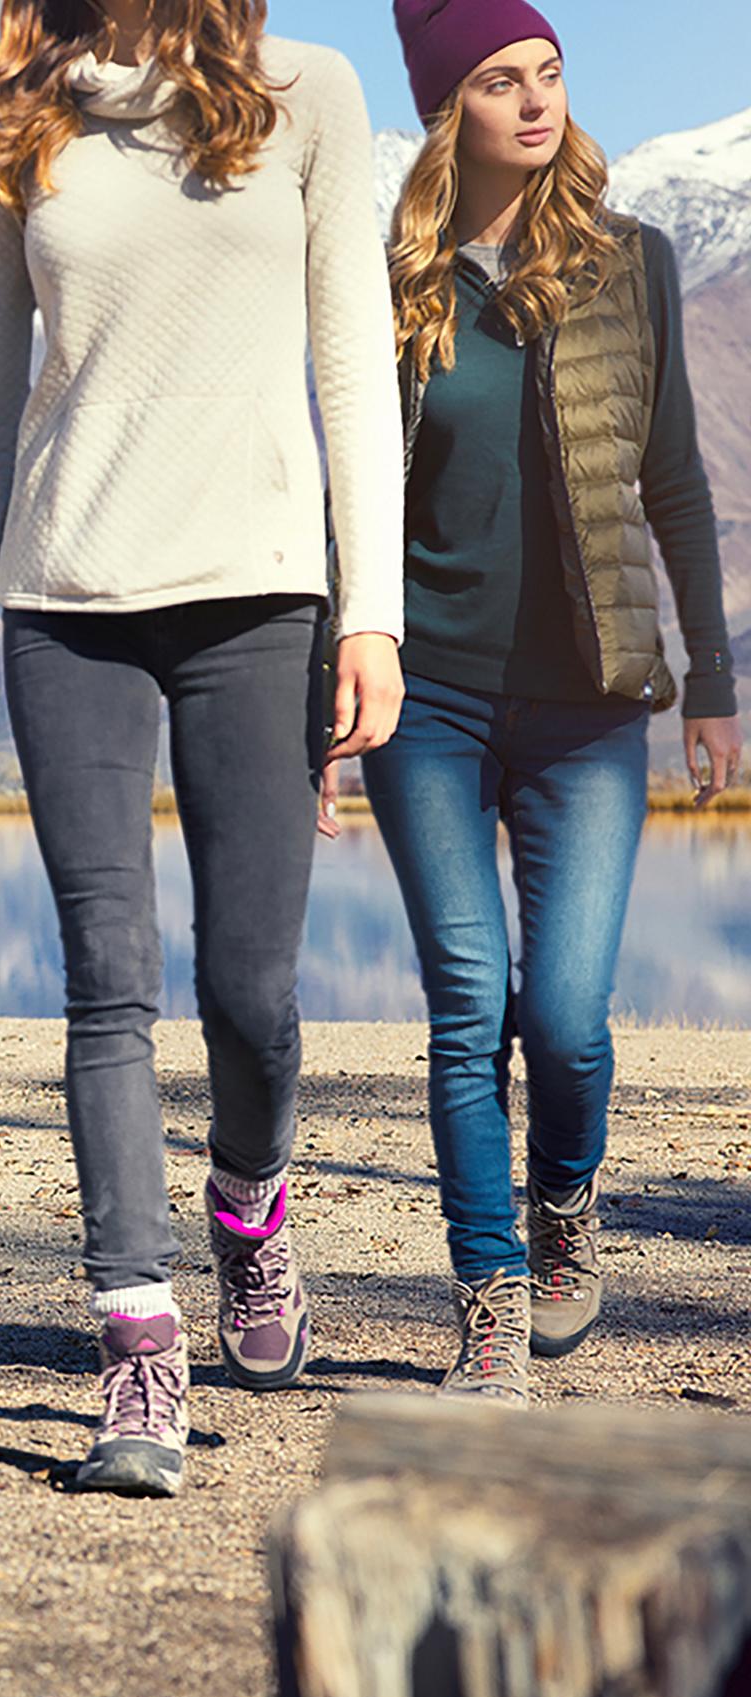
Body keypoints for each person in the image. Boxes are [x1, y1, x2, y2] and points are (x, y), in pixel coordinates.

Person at [0, 0, 404, 1496]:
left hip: (259, 594)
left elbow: (351, 368)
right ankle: (137, 1340)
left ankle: (250, 1210)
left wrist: (369, 612)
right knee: (105, 980)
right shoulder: (16, 116)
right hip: (66, 602)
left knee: (250, 988)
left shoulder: (305, 90)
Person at [328, 1, 743, 1407]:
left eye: (548, 74)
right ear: (452, 112)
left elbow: (675, 484)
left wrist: (713, 684)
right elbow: (353, 500)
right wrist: (325, 691)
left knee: (563, 1015)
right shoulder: (397, 281)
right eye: (501, 81)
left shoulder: (633, 265)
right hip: (426, 701)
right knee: (466, 1004)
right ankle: (491, 1295)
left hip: (590, 704)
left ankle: (568, 1207)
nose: (533, 101)